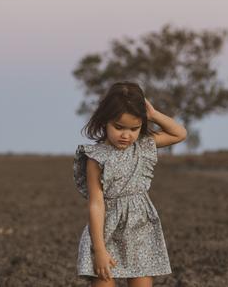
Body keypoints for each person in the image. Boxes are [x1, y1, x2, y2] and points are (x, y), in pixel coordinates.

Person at [73, 82, 187, 287]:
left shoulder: (143, 145)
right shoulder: (96, 158)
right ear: (104, 121)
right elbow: (96, 204)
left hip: (140, 231)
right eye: (118, 127)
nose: (126, 135)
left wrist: (153, 115)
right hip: (105, 233)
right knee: (103, 281)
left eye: (134, 128)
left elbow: (179, 134)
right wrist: (99, 249)